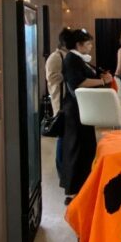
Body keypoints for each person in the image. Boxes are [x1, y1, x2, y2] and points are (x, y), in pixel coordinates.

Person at [60, 30, 113, 205]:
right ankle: (73, 191)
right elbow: (78, 82)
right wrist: (102, 81)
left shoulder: (80, 59)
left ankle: (84, 188)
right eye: (88, 43)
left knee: (86, 149)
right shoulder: (72, 59)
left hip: (85, 110)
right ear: (79, 45)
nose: (91, 46)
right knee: (76, 149)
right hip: (75, 111)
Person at [45, 27, 76, 177]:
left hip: (69, 102)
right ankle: (61, 169)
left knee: (67, 137)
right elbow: (51, 78)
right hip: (61, 102)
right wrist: (69, 75)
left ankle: (66, 168)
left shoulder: (66, 55)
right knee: (62, 137)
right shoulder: (55, 57)